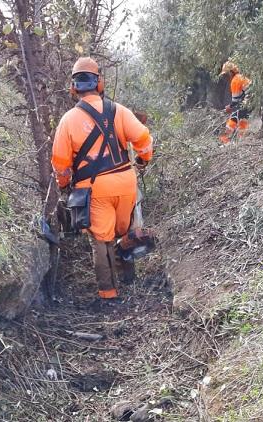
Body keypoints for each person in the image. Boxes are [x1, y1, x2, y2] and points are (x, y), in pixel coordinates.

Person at [51, 57, 153, 302]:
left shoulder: (68, 120)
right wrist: (143, 161)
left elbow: (60, 163)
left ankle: (109, 293)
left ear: (74, 87)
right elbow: (143, 139)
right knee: (125, 230)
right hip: (126, 182)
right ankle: (129, 278)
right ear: (99, 83)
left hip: (95, 189)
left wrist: (64, 186)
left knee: (101, 239)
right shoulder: (119, 110)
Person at [219, 61, 252, 144]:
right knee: (243, 120)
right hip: (251, 102)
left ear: (231, 72)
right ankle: (241, 141)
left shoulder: (235, 81)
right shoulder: (240, 77)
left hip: (247, 102)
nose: (226, 77)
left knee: (234, 118)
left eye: (226, 75)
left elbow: (235, 100)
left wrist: (229, 107)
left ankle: (225, 141)